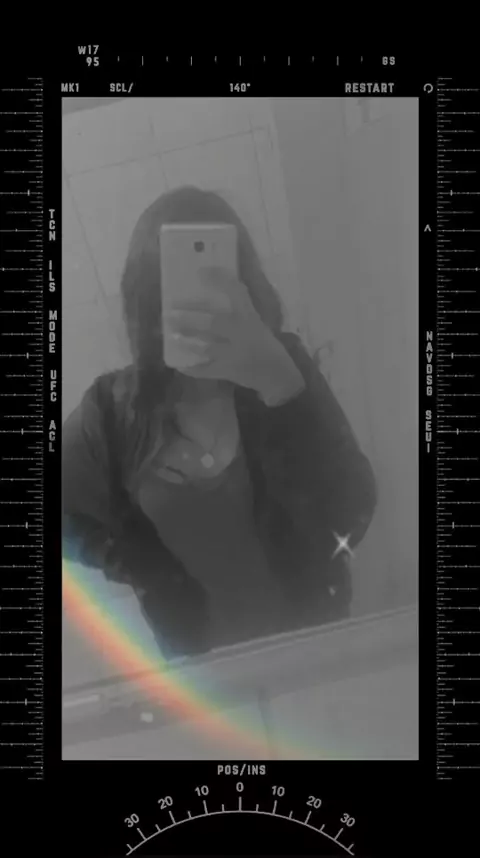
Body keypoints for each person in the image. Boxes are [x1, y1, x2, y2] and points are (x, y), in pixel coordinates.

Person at [62, 186, 377, 659]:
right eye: (169, 289)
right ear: (146, 300)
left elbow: (350, 518)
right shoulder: (111, 411)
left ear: (245, 285)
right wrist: (132, 559)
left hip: (316, 646)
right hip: (202, 669)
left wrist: (279, 386)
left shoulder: (282, 364)